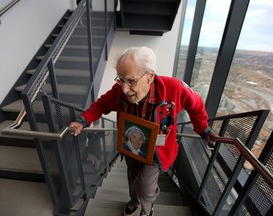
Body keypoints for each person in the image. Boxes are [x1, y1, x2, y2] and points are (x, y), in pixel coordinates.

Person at [69, 47, 217, 216]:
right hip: (132, 146)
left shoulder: (174, 88)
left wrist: (203, 129)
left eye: (131, 81)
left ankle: (147, 209)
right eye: (121, 80)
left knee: (146, 186)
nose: (124, 89)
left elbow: (196, 106)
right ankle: (134, 201)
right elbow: (101, 105)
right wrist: (83, 120)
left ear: (150, 76)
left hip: (156, 150)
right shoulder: (120, 91)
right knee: (133, 179)